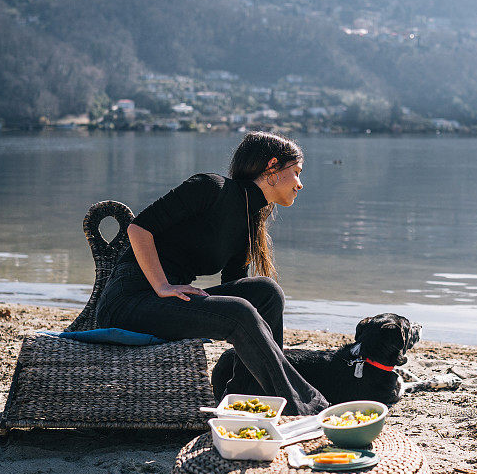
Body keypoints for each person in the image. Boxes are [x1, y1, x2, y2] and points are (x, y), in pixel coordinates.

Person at [94, 131, 329, 416]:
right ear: (272, 167)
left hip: (168, 302)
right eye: (296, 172)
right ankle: (302, 406)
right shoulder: (209, 188)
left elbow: (236, 288)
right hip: (130, 303)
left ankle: (247, 399)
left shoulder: (247, 220)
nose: (300, 184)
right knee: (240, 311)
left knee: (266, 293)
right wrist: (162, 285)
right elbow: (139, 229)